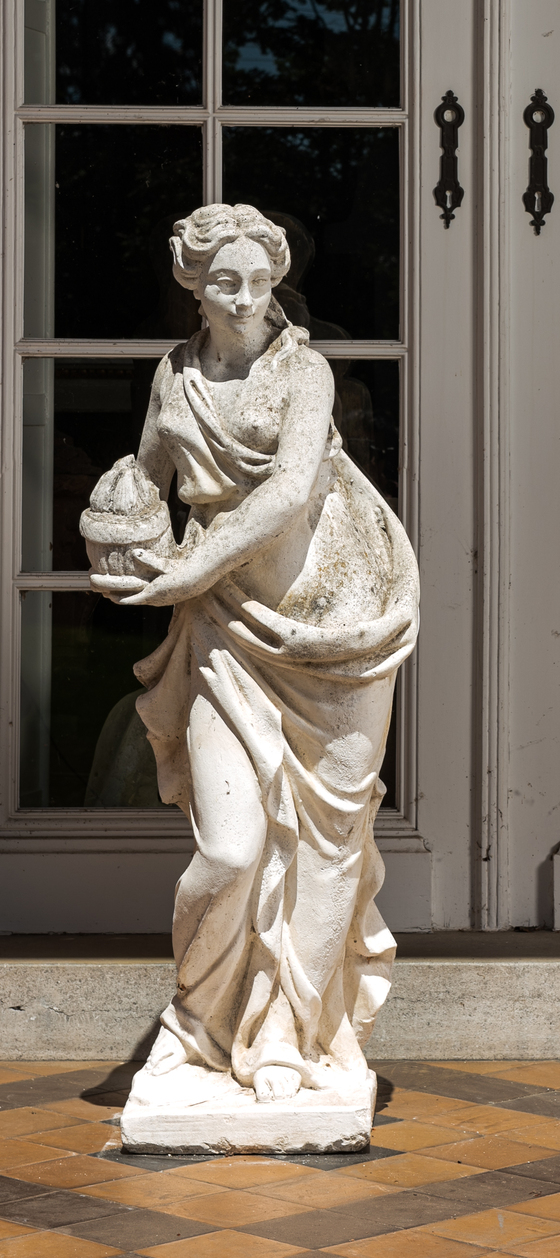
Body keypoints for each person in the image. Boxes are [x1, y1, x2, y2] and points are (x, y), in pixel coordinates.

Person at [90, 203, 418, 1107]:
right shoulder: (176, 378)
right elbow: (143, 479)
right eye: (223, 282)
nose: (243, 298)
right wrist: (114, 527)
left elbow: (285, 492)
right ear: (192, 284)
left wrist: (187, 565)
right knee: (230, 850)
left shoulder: (303, 372)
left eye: (259, 282)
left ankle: (292, 1035)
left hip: (339, 620)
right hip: (227, 625)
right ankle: (195, 1027)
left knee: (327, 838)